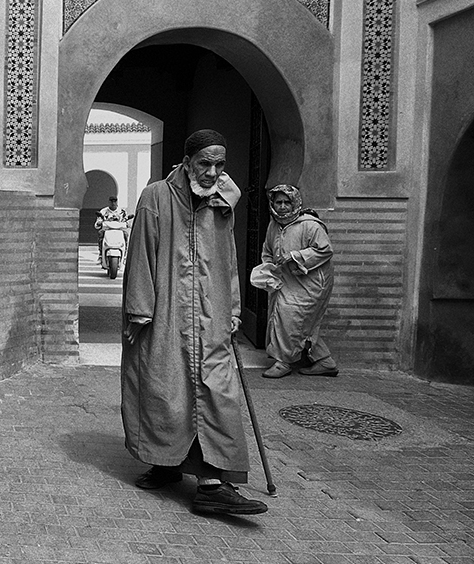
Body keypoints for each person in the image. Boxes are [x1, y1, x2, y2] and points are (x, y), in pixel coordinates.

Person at [120, 129, 267, 516]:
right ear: (186, 164)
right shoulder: (156, 197)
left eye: (220, 165)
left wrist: (232, 308)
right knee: (165, 391)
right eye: (204, 164)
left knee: (215, 392)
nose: (212, 172)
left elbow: (226, 259)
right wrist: (140, 309)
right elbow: (140, 255)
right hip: (165, 315)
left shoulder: (221, 203)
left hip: (211, 314)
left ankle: (212, 484)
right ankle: (166, 463)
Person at [257, 184, 339, 378]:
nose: (283, 206)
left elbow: (325, 250)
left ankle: (283, 362)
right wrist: (269, 269)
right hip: (287, 281)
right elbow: (268, 251)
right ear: (273, 204)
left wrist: (295, 256)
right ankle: (325, 361)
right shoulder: (274, 225)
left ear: (295, 203)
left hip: (312, 283)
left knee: (290, 318)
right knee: (299, 322)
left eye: (287, 202)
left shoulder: (310, 225)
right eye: (279, 202)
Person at [95, 196, 129, 268]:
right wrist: (99, 223)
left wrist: (128, 223)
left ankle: (124, 255)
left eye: (115, 201)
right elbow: (97, 223)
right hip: (107, 230)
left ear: (117, 202)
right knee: (100, 233)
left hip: (119, 230)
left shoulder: (122, 212)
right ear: (109, 202)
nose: (113, 203)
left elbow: (126, 220)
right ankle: (101, 254)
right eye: (111, 201)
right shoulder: (103, 211)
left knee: (126, 234)